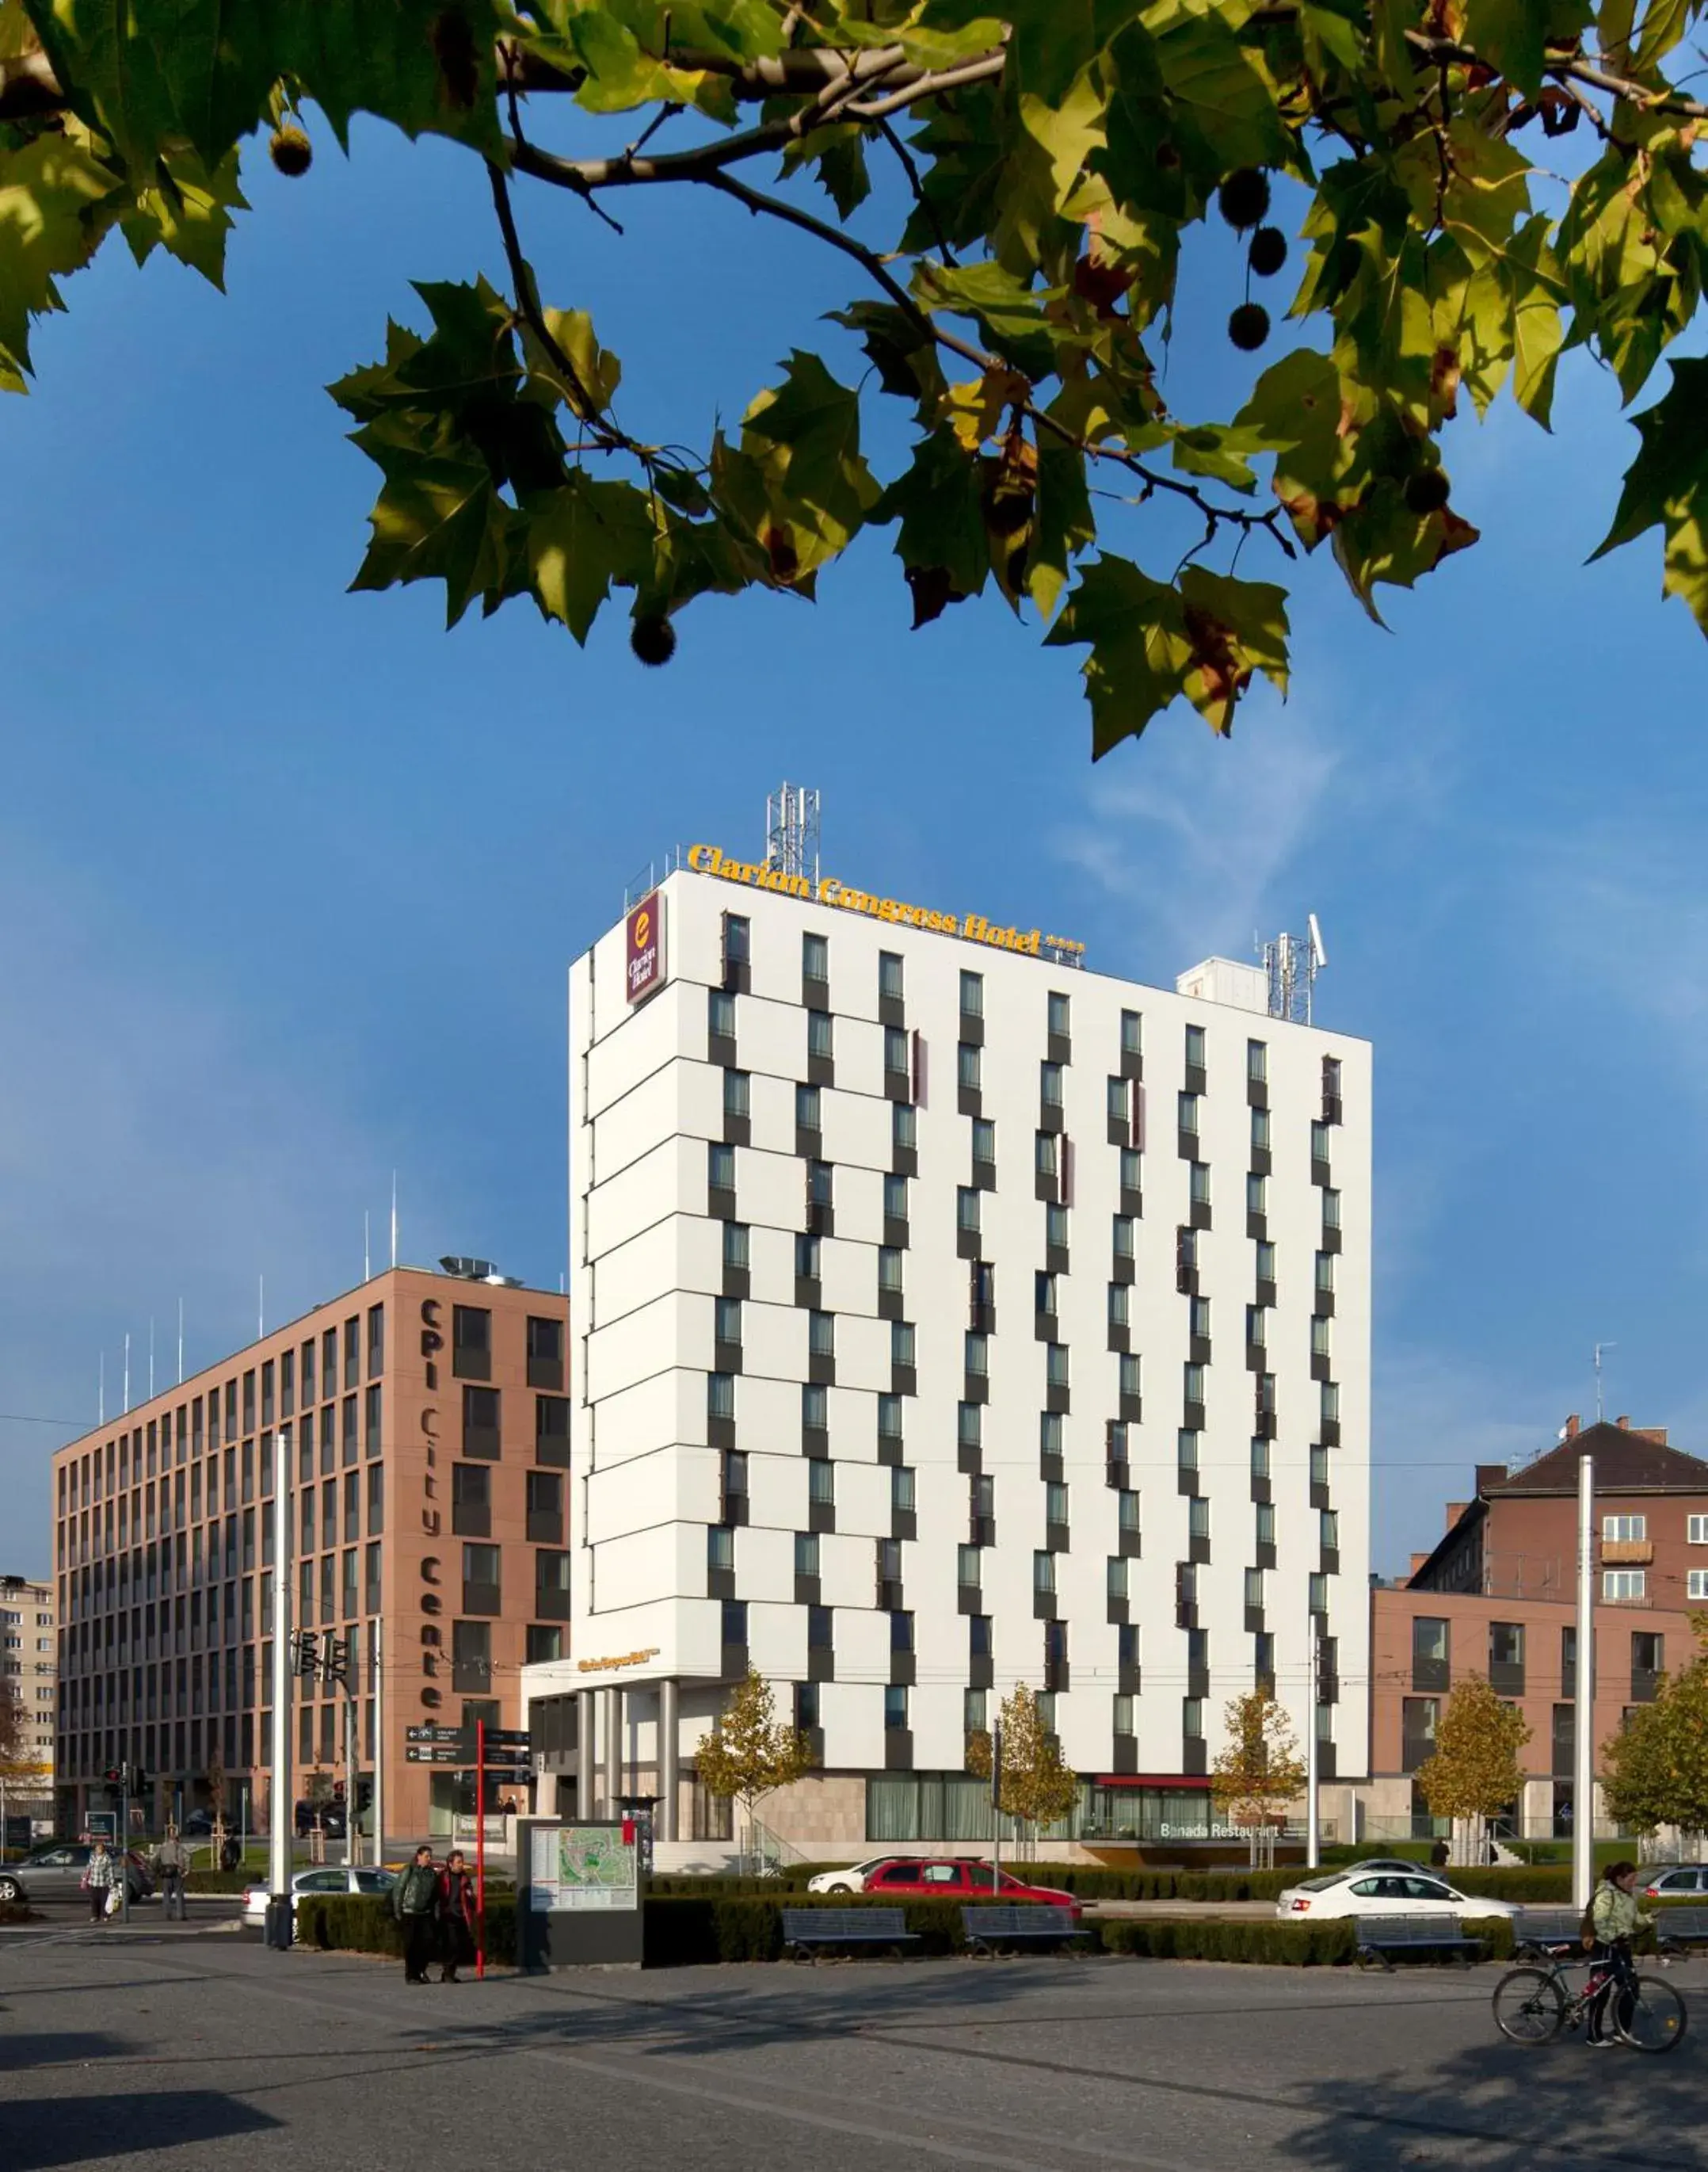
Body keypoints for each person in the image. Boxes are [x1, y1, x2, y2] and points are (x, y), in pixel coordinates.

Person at [1584, 1861, 1653, 2047]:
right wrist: (1612, 1937)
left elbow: (1635, 1920)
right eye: (1631, 1879)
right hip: (1605, 1947)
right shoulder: (1606, 1895)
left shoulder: (1628, 1896)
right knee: (1600, 1992)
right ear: (1619, 1878)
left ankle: (1621, 2031)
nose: (1634, 1882)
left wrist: (1649, 1919)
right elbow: (1600, 1921)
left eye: (1635, 1878)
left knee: (1631, 1988)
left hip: (1622, 1947)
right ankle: (1593, 2035)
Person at [391, 1845, 440, 1983]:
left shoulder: (431, 1873)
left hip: (425, 1914)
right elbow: (398, 1890)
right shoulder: (410, 1870)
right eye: (426, 1856)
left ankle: (421, 1971)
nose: (429, 1859)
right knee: (411, 1946)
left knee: (427, 1943)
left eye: (430, 1856)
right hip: (409, 1912)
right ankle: (411, 1975)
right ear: (418, 1856)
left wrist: (435, 1913)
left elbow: (435, 1896)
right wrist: (398, 1911)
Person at [437, 1848, 477, 1983]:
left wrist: (470, 1894)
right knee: (452, 1944)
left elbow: (470, 1895)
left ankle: (449, 1973)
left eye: (462, 1862)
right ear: (450, 1863)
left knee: (459, 1946)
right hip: (448, 1915)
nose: (461, 1865)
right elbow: (437, 1896)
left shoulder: (464, 1877)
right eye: (459, 1862)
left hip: (461, 1915)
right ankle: (447, 1974)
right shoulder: (443, 1877)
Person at [154, 1825, 190, 1921]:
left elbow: (156, 1859)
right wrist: (186, 1869)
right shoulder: (179, 1847)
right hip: (177, 1872)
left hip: (166, 1873)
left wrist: (157, 1870)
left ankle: (167, 1914)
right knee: (179, 1894)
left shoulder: (163, 1847)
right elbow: (187, 1858)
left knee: (166, 1895)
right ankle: (180, 1915)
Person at [82, 1838, 119, 1924]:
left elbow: (110, 1872)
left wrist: (112, 1883)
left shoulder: (107, 1859)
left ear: (103, 1849)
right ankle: (95, 1916)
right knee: (94, 1900)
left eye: (101, 1848)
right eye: (98, 1848)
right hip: (93, 1882)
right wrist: (84, 1878)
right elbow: (88, 1868)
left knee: (104, 1901)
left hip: (104, 1883)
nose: (99, 1850)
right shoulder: (92, 1857)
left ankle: (106, 1916)